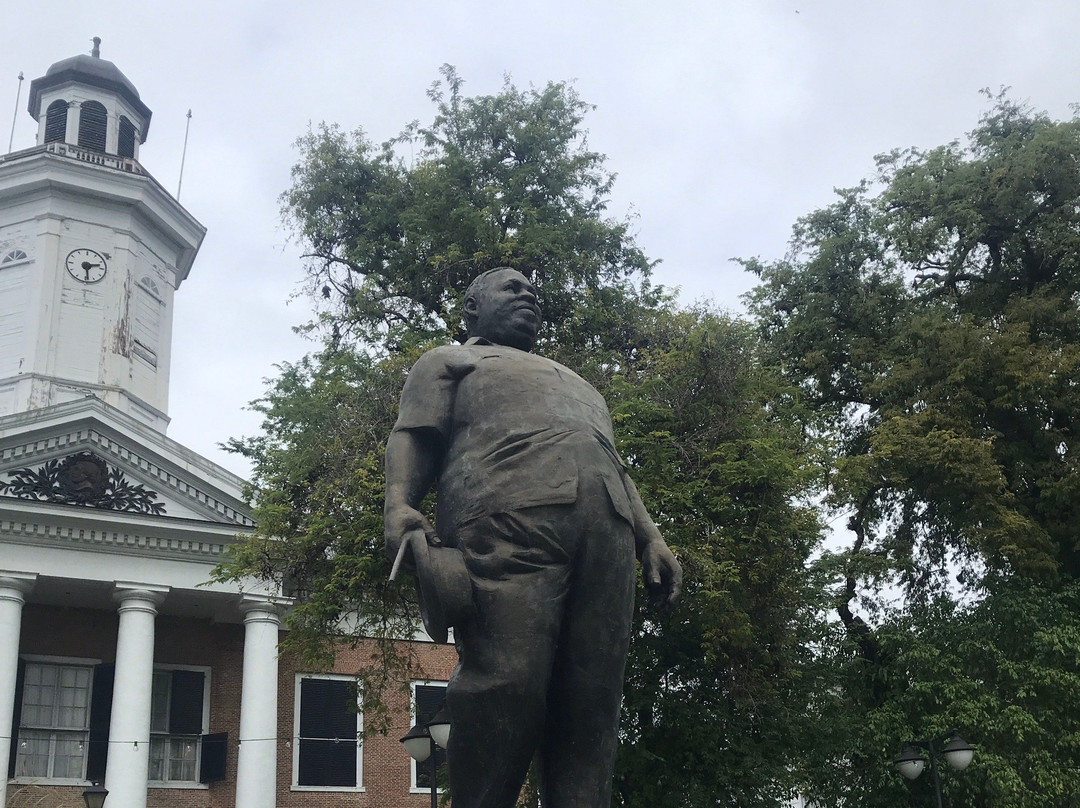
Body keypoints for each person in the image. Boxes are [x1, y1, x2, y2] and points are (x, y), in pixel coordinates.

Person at [384, 267, 682, 808]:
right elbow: (414, 433)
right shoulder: (450, 361)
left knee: (592, 705)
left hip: (607, 535)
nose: (529, 297)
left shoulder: (580, 384)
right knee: (506, 685)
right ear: (472, 308)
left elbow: (615, 464)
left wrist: (650, 537)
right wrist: (400, 502)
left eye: (534, 293)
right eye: (512, 289)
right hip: (507, 523)